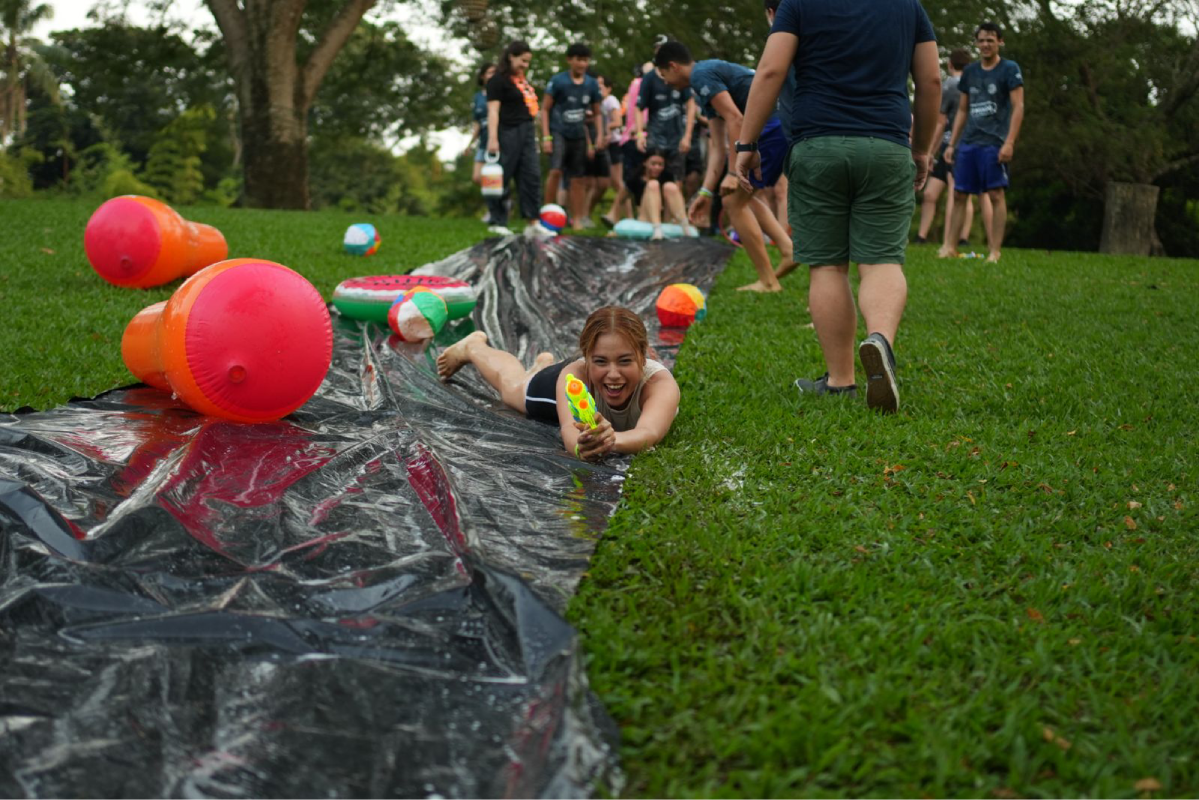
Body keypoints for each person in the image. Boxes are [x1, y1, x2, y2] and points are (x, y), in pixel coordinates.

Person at [733, 0, 940, 412]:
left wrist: (747, 142)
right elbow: (931, 80)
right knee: (881, 261)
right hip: (887, 146)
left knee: (828, 265)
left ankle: (841, 380)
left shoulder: (799, 3)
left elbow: (771, 71)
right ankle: (879, 340)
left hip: (818, 146)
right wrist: (922, 150)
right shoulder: (907, 7)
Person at [436, 307, 681, 461]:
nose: (613, 374)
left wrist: (610, 440)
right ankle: (473, 347)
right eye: (601, 361)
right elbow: (569, 431)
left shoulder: (659, 384)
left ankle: (539, 367)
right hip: (563, 384)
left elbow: (649, 433)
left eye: (625, 361)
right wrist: (581, 448)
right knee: (512, 390)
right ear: (586, 358)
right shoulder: (575, 375)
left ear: (643, 354)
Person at [654, 41, 795, 293]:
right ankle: (787, 250)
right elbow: (718, 148)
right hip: (775, 124)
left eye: (664, 75)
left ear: (673, 67)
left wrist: (733, 173)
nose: (665, 82)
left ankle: (768, 281)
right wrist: (705, 193)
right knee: (742, 196)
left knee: (734, 202)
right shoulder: (704, 88)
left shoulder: (701, 74)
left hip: (773, 124)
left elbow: (736, 118)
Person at [941, 23, 1024, 262]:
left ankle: (994, 251)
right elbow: (963, 111)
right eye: (981, 40)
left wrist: (1009, 142)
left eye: (990, 40)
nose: (986, 44)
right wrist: (952, 144)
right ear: (976, 43)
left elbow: (1018, 107)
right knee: (959, 194)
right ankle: (948, 246)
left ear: (1000, 41)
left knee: (995, 194)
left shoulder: (1009, 69)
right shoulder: (970, 72)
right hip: (969, 141)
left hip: (995, 141)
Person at [914, 48, 990, 247]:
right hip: (949, 145)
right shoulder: (976, 85)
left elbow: (939, 123)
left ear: (949, 65)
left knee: (957, 193)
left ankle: (954, 239)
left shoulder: (949, 86)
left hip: (957, 146)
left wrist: (927, 151)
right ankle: (921, 237)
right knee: (931, 194)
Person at [542, 43, 604, 229]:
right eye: (578, 59)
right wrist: (546, 137)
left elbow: (598, 113)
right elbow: (545, 110)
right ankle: (545, 215)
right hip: (558, 132)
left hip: (579, 135)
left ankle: (577, 219)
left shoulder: (592, 84)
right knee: (555, 171)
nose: (582, 64)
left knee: (578, 178)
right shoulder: (558, 81)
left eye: (585, 60)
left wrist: (599, 135)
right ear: (570, 60)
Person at [485, 41, 542, 236]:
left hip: (527, 131)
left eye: (528, 62)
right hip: (507, 131)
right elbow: (493, 111)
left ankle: (533, 221)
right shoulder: (497, 81)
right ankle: (497, 220)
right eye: (522, 61)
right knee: (502, 176)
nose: (525, 65)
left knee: (531, 175)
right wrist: (493, 139)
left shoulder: (523, 82)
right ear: (511, 57)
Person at [635, 38, 696, 193]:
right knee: (652, 175)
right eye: (657, 48)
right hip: (656, 136)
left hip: (677, 135)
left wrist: (687, 135)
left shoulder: (681, 75)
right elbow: (639, 107)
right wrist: (640, 135)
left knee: (677, 177)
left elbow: (690, 104)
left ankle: (673, 215)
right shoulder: (649, 78)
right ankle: (651, 213)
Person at [625, 149, 696, 239]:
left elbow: (676, 196)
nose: (657, 168)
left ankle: (685, 225)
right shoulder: (635, 178)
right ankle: (657, 229)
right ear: (645, 163)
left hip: (665, 216)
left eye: (660, 165)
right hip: (646, 217)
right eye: (653, 164)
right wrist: (629, 218)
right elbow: (623, 200)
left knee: (670, 186)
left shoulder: (667, 176)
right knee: (653, 184)